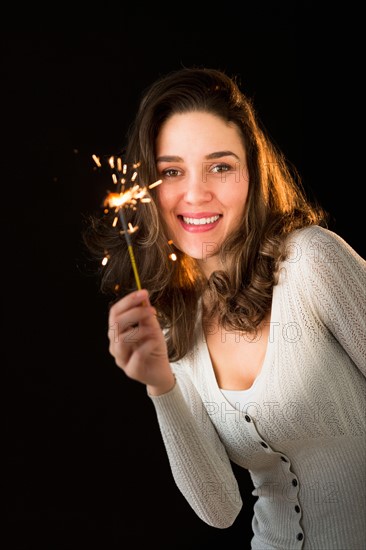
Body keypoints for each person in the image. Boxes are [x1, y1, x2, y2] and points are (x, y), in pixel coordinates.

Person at [83, 67, 366, 549]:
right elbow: (219, 510)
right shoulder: (173, 319)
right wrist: (161, 385)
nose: (195, 194)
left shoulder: (313, 262)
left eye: (220, 166)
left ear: (252, 174)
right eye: (171, 171)